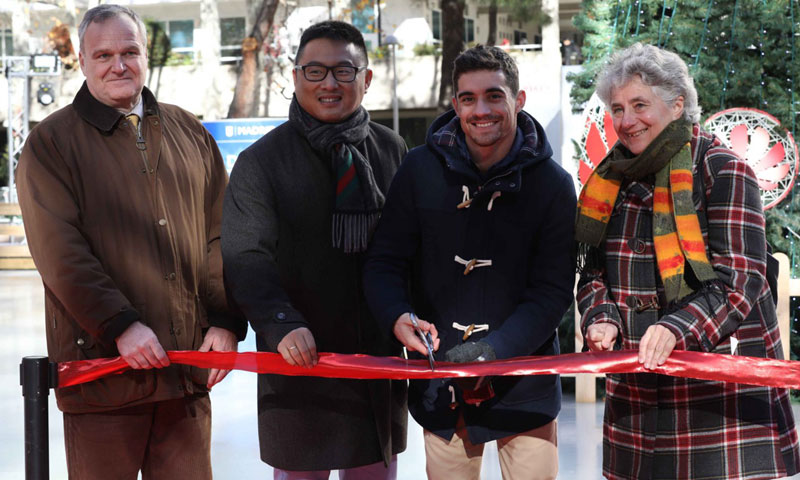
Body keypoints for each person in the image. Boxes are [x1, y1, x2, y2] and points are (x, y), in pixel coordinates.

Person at [15, 5, 245, 480]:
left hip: (184, 380)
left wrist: (225, 320)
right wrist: (120, 325)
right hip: (103, 378)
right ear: (81, 60)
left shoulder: (192, 133)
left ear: (145, 56)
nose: (118, 65)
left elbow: (221, 234)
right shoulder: (50, 144)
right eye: (103, 55)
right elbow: (60, 254)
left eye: (129, 51)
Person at [576, 43, 800, 480]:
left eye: (640, 105)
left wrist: (673, 328)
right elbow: (592, 271)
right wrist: (601, 317)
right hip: (638, 397)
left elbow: (741, 280)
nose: (626, 121)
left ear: (677, 105)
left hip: (720, 401)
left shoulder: (722, 169)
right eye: (617, 108)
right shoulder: (608, 180)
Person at [363, 45, 576, 480]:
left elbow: (552, 292)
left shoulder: (553, 184)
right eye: (468, 98)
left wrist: (492, 352)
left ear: (518, 100)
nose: (481, 110)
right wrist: (397, 316)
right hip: (442, 385)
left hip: (525, 385)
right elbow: (384, 262)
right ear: (455, 103)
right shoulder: (418, 169)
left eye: (494, 96)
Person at [221, 21, 407, 479]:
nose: (329, 83)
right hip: (298, 361)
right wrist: (280, 323)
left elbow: (410, 247)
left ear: (366, 78)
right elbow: (246, 255)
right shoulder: (261, 161)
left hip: (376, 360)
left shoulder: (392, 149)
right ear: (295, 75)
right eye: (315, 71)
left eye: (344, 71)